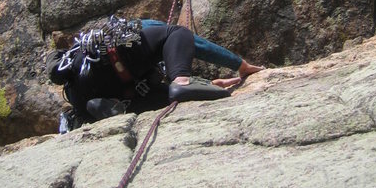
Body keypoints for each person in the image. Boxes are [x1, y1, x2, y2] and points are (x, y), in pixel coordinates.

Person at [47, 17, 263, 131]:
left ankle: (106, 108)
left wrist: (207, 84)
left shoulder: (72, 59)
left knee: (167, 95)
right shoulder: (144, 26)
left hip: (85, 96)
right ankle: (183, 81)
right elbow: (193, 43)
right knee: (177, 33)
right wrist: (239, 64)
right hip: (113, 61)